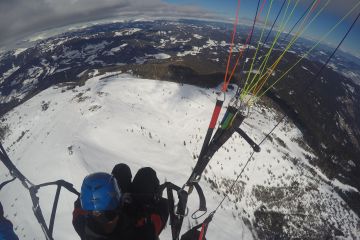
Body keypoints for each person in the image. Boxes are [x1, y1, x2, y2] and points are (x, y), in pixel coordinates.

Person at [72, 164, 169, 240]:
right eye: (110, 214)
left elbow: (78, 207)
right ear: (117, 210)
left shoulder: (82, 225)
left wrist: (92, 193)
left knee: (121, 169)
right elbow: (163, 208)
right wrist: (134, 198)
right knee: (147, 174)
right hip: (135, 215)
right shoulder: (142, 234)